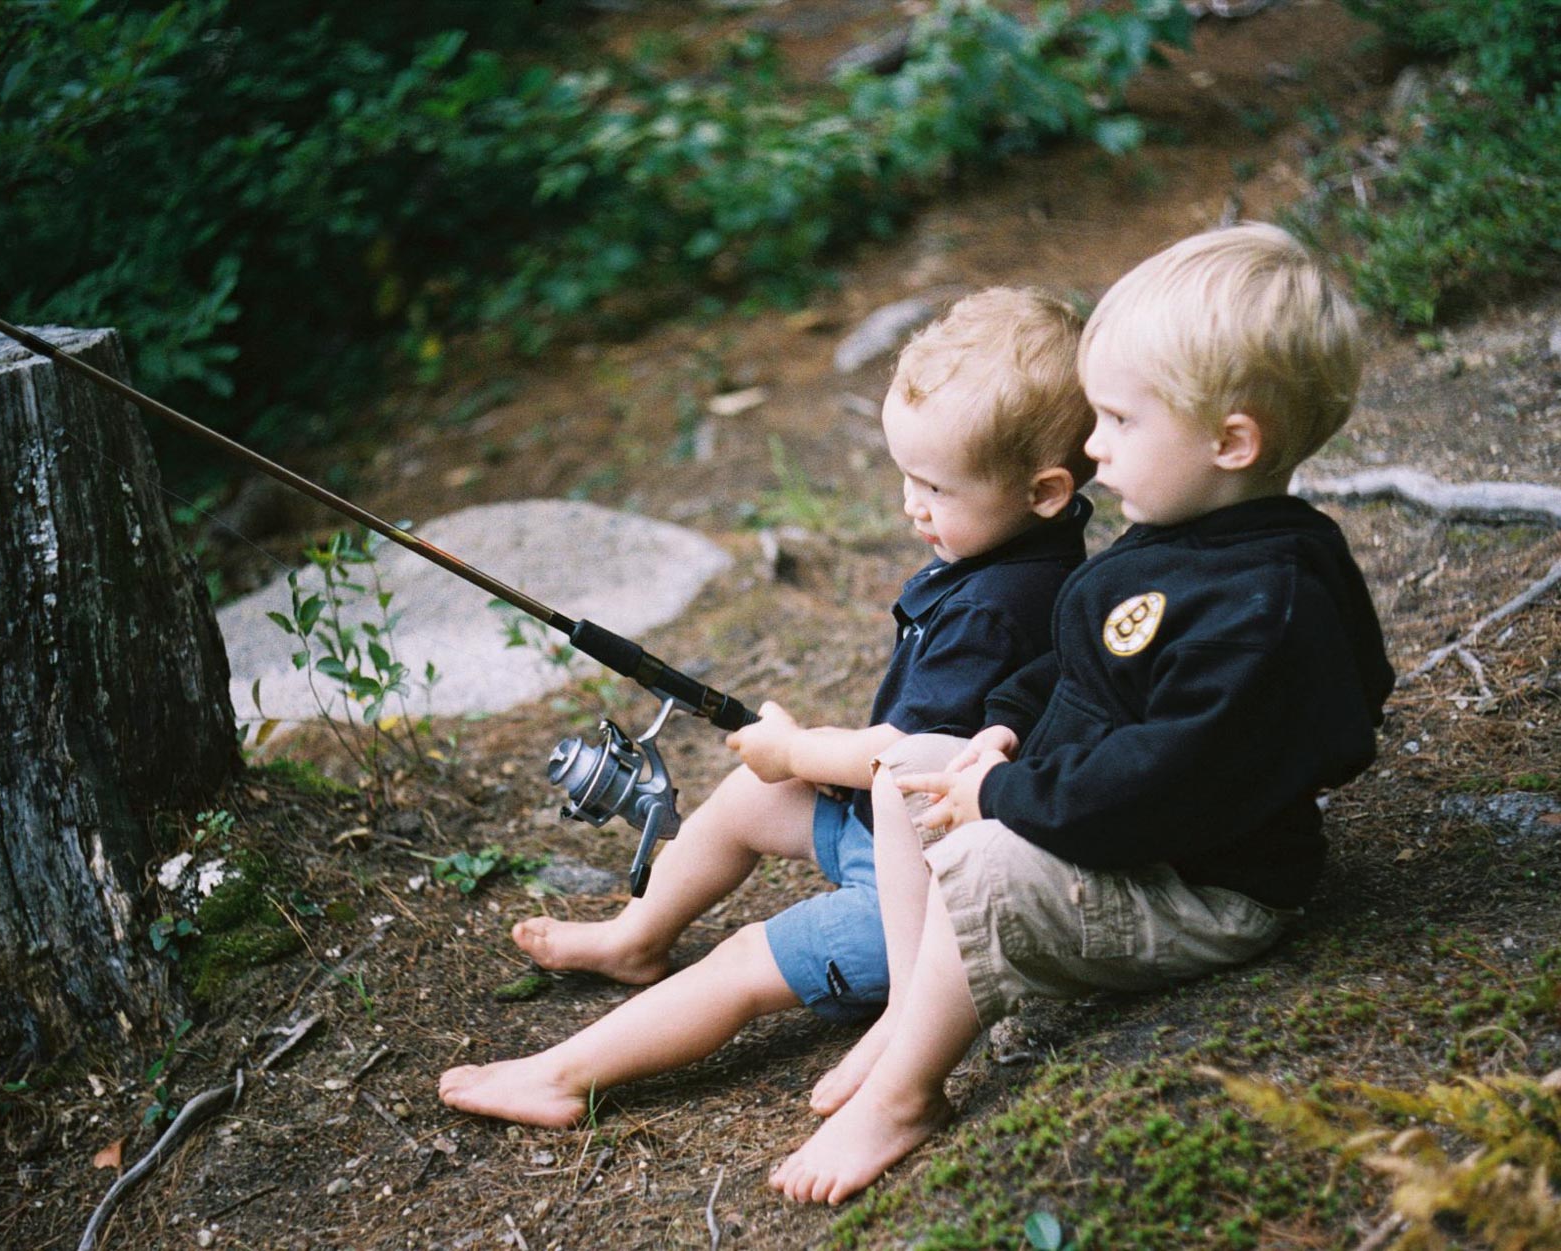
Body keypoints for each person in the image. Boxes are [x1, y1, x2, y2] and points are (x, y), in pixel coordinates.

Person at [768, 222, 1397, 1205]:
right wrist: (1006, 732)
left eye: (1118, 422)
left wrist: (1009, 794)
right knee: (909, 770)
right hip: (1104, 826)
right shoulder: (1176, 536)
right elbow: (1073, 667)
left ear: (1232, 442)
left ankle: (908, 1094)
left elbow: (1157, 784)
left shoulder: (1264, 601)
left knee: (983, 858)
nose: (1093, 449)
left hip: (1199, 890)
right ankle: (907, 1007)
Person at [438, 288, 1099, 1128]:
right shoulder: (1024, 543)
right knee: (749, 800)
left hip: (927, 900)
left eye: (936, 485)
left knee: (747, 958)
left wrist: (793, 748)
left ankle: (565, 1075)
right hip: (891, 831)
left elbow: (892, 755)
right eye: (906, 475)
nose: (911, 504)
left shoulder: (997, 604)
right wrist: (785, 768)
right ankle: (637, 936)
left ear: (1042, 490)